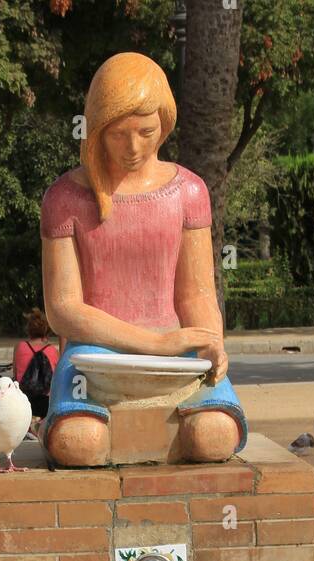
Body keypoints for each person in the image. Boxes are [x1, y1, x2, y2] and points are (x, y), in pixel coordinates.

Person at [40, 52, 247, 467]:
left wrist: (210, 341)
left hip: (177, 358)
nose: (133, 148)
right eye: (117, 134)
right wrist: (157, 343)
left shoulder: (188, 191)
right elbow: (63, 309)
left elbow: (196, 293)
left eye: (145, 131)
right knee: (78, 443)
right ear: (96, 128)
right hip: (95, 357)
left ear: (164, 124)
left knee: (213, 437)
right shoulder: (65, 199)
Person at [12, 309, 59, 421]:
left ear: (29, 330)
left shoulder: (19, 347)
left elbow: (15, 374)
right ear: (46, 331)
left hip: (24, 401)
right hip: (46, 403)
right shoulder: (53, 350)